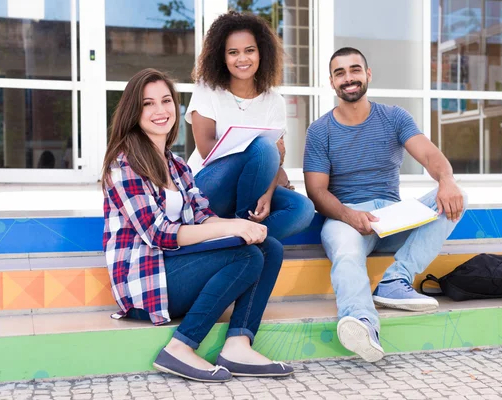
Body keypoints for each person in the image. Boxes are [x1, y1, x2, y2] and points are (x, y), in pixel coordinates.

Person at [102, 68, 293, 382]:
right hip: (146, 283)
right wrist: (230, 228)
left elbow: (202, 215)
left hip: (174, 270)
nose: (160, 110)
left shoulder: (176, 165)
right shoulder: (123, 164)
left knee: (267, 247)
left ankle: (238, 345)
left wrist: (242, 228)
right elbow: (159, 233)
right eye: (148, 103)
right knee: (245, 256)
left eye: (166, 101)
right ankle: (180, 347)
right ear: (134, 112)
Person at [304, 48, 468, 362]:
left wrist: (446, 180)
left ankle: (395, 280)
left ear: (368, 74)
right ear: (331, 82)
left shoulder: (394, 117)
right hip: (345, 216)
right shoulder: (320, 130)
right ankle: (363, 322)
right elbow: (317, 192)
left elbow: (430, 156)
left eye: (355, 70)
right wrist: (350, 215)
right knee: (347, 253)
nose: (348, 78)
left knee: (456, 196)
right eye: (340, 73)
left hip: (392, 216)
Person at [185, 11, 314, 240]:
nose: (242, 59)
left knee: (302, 210)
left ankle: (235, 241)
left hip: (253, 187)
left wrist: (268, 191)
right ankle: (243, 227)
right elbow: (206, 149)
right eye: (233, 52)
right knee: (264, 147)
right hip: (207, 187)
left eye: (249, 50)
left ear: (261, 53)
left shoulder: (274, 101)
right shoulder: (208, 90)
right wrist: (261, 150)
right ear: (222, 57)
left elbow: (275, 160)